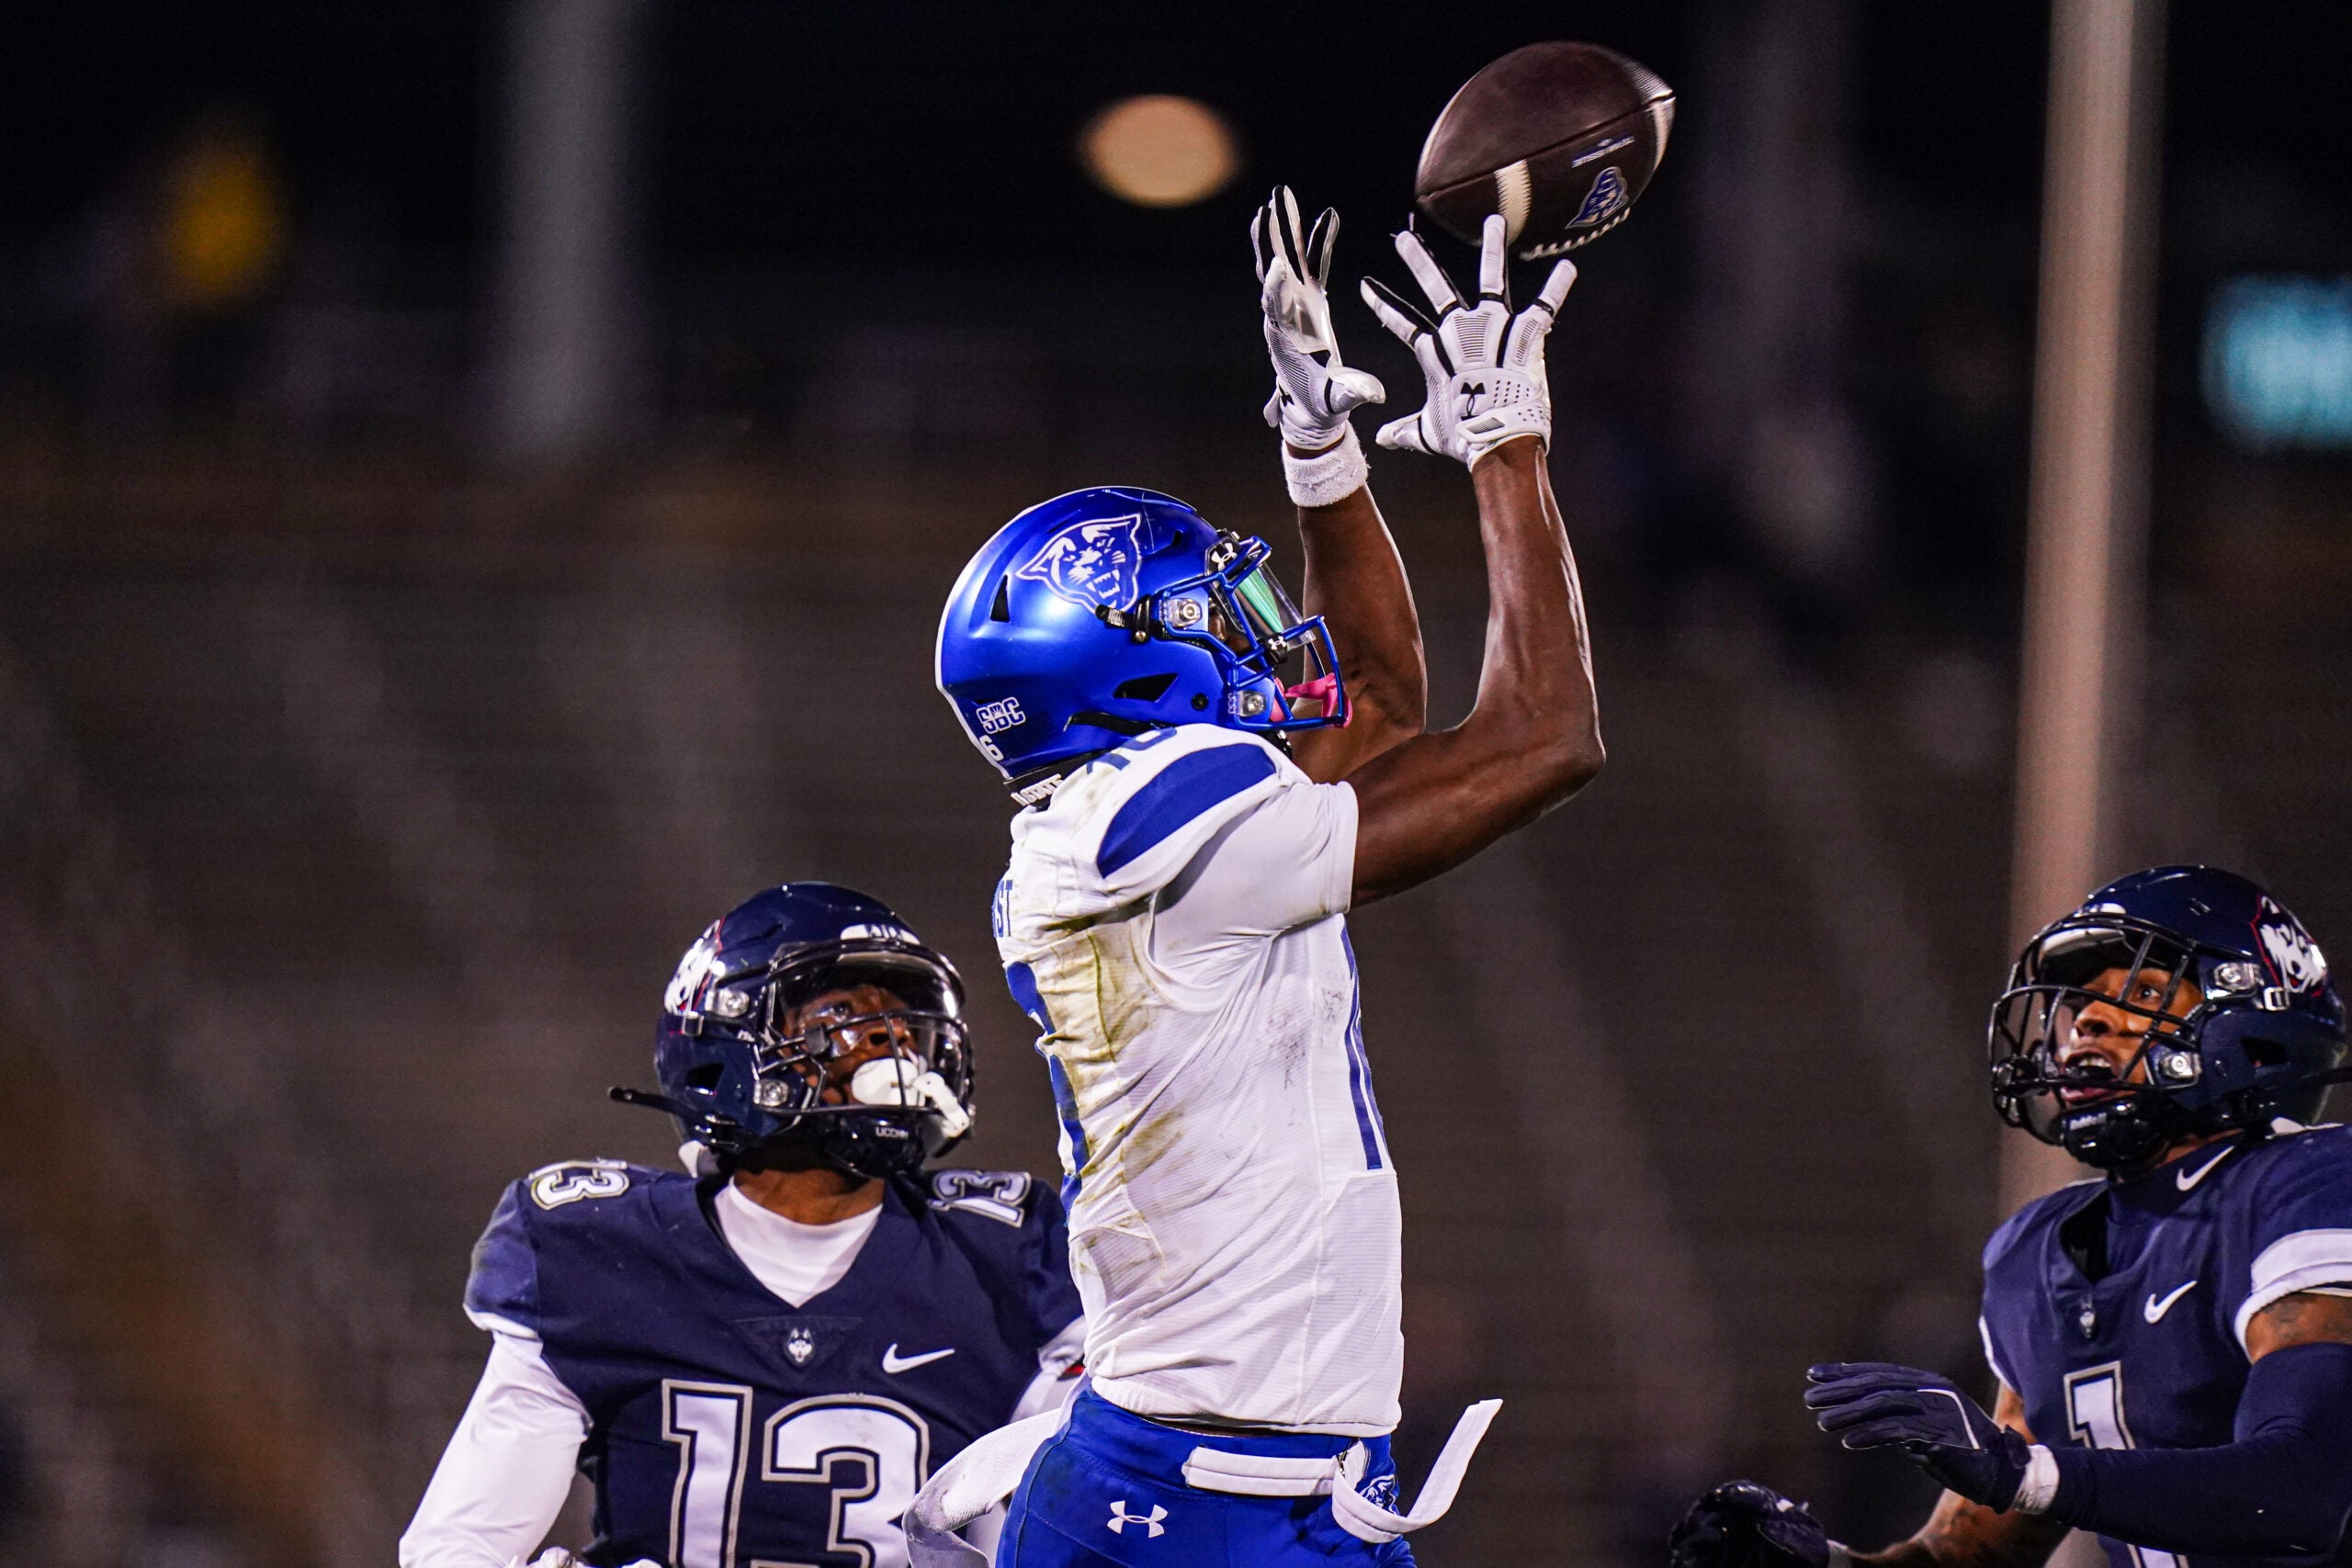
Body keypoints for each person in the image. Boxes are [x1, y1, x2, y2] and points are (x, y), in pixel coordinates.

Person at [916, 188, 1605, 1567]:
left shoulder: (1109, 824)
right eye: (1209, 607)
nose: (1261, 624)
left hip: (1257, 1475)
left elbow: (1380, 711)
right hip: (1194, 1501)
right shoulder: (1149, 821)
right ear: (1120, 663)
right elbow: (1543, 737)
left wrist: (1324, 451)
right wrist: (1506, 438)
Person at [1670, 865, 2352, 1568]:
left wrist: (2023, 1472)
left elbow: (2300, 1494)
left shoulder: (2313, 1183)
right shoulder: (2040, 1252)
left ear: (2254, 1017)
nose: (2086, 1019)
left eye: (2142, 992)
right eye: (2081, 1001)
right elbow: (1965, 1558)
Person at [399, 883, 1084, 1568]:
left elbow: (1078, 1526)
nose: (892, 1037)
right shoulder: (600, 1255)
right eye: (843, 1009)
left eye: (904, 1016)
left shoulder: (1004, 1256)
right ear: (723, 1044)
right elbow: (455, 1550)